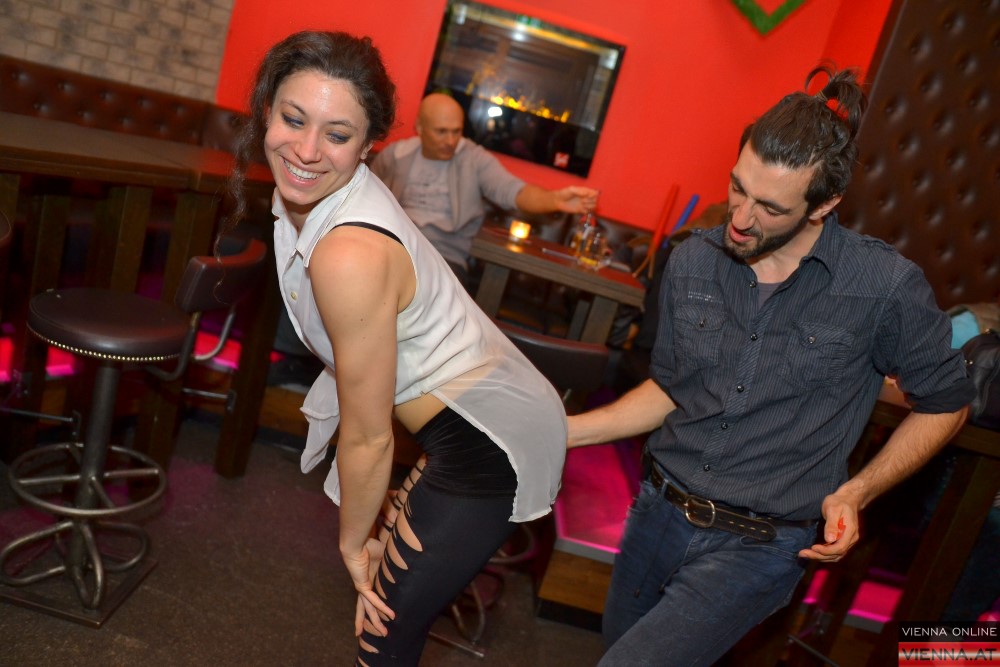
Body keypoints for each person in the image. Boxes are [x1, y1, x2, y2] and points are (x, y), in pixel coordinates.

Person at [566, 64, 975, 666]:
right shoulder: (694, 260)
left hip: (757, 546)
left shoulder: (882, 286)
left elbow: (947, 402)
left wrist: (857, 492)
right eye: (738, 187)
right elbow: (673, 389)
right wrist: (565, 430)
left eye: (769, 207)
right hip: (656, 513)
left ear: (824, 204)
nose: (739, 217)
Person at [226, 31, 566, 665]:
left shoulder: (348, 250)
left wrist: (353, 543)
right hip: (469, 421)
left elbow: (369, 436)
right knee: (385, 632)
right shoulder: (315, 194)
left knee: (383, 634)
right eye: (293, 120)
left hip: (488, 443)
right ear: (267, 111)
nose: (306, 150)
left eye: (336, 134)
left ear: (368, 146)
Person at [369, 92, 599, 285]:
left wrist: (555, 200)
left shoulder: (474, 159)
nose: (450, 141)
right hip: (394, 247)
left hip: (444, 259)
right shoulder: (396, 156)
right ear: (420, 127)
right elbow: (366, 195)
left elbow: (514, 191)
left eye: (456, 131)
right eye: (441, 131)